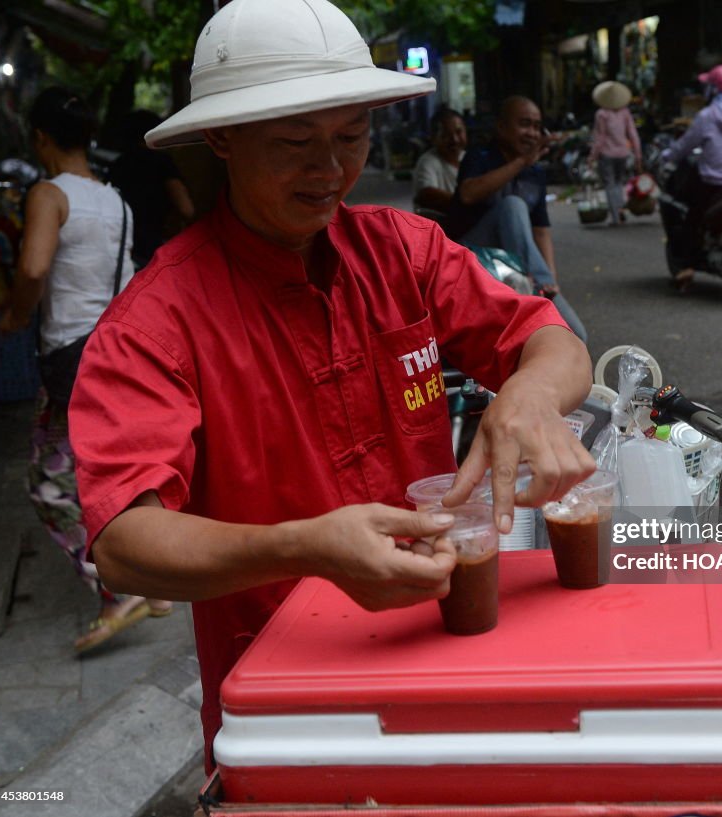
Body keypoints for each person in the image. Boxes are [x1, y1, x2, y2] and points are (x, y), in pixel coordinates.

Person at [67, 0, 594, 772]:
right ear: (221, 139)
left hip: (443, 652)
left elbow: (552, 340)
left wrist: (530, 395)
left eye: (352, 137)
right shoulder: (155, 322)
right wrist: (305, 547)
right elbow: (124, 544)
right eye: (294, 144)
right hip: (281, 696)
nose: (331, 171)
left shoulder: (401, 250)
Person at [0, 87, 173, 653]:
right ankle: (156, 580)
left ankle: (118, 583)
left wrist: (16, 313)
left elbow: (33, 266)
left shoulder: (48, 194)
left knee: (50, 484)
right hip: (114, 352)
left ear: (40, 138)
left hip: (70, 355)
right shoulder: (114, 199)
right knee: (122, 473)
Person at [445, 95, 587, 341]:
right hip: (471, 257)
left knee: (576, 336)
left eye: (536, 125)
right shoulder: (480, 156)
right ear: (501, 127)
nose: (532, 133)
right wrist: (521, 163)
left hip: (517, 271)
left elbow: (541, 231)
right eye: (524, 124)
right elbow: (468, 194)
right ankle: (537, 289)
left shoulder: (536, 173)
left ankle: (541, 290)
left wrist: (552, 281)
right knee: (512, 206)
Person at [662, 64, 722, 291]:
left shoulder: (707, 117)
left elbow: (685, 145)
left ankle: (686, 266)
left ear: (714, 90)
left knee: (690, 218)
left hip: (715, 184)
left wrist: (668, 155)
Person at [108, 109, 196, 268]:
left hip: (120, 245)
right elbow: (186, 208)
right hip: (152, 244)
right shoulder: (161, 162)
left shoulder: (118, 164)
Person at [588, 81, 642, 226]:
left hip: (607, 154)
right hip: (623, 153)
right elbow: (633, 134)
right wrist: (638, 155)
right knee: (619, 183)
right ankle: (620, 210)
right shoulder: (625, 112)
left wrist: (592, 156)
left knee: (610, 184)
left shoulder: (602, 114)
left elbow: (600, 138)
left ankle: (615, 216)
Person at [411, 108, 467, 222]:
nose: (454, 139)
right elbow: (425, 195)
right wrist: (466, 201)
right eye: (446, 134)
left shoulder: (469, 158)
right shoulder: (428, 161)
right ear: (434, 138)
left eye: (458, 132)